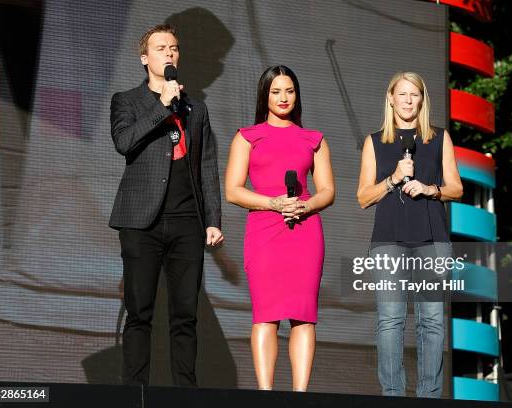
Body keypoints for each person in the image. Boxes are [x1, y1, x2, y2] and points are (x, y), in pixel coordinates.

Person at [109, 24, 223, 386]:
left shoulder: (196, 109)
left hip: (187, 221)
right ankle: (135, 392)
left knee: (185, 315)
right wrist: (161, 105)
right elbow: (124, 142)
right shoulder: (126, 101)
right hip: (141, 222)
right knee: (139, 311)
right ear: (145, 59)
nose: (169, 53)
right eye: (160, 48)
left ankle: (185, 394)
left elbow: (207, 165)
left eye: (174, 48)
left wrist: (212, 219)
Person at [225, 65, 335, 391]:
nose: (283, 97)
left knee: (303, 316)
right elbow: (233, 190)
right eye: (276, 91)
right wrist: (274, 203)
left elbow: (327, 190)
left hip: (305, 232)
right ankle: (266, 394)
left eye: (289, 91)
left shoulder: (313, 140)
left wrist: (304, 204)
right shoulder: (247, 137)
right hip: (264, 231)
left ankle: (300, 394)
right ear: (265, 95)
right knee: (266, 315)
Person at [357, 71, 463, 397]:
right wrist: (393, 179)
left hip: (432, 239)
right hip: (389, 239)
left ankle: (429, 396)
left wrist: (431, 188)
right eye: (401, 94)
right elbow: (363, 197)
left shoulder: (438, 137)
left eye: (413, 95)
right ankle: (393, 394)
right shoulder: (375, 141)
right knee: (390, 320)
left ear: (422, 99)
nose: (407, 100)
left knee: (432, 321)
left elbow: (457, 188)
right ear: (390, 98)